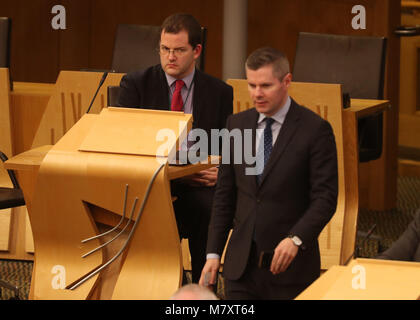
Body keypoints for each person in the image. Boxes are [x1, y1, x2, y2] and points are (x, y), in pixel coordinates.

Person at [199, 47, 338, 299]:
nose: (257, 94)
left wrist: (296, 238)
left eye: (265, 85)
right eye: (251, 85)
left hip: (290, 270)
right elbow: (225, 196)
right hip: (240, 268)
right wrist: (213, 254)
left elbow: (325, 199)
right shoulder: (236, 124)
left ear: (286, 81)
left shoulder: (315, 130)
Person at [117, 13, 233, 283]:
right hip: (153, 185)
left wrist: (221, 172)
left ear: (196, 51)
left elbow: (226, 147)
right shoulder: (135, 85)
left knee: (213, 207)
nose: (170, 56)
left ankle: (204, 291)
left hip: (199, 184)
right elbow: (125, 146)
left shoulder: (219, 92)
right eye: (165, 49)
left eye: (179, 50)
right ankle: (173, 286)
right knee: (148, 212)